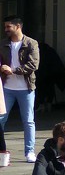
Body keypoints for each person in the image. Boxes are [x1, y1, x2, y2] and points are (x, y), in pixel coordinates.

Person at [0, 15, 39, 162]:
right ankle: (1, 150)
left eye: (8, 27)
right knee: (1, 119)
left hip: (26, 88)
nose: (6, 30)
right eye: (5, 27)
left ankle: (29, 152)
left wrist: (13, 70)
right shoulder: (3, 43)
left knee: (28, 121)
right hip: (6, 88)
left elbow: (34, 64)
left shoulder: (31, 43)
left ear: (18, 26)